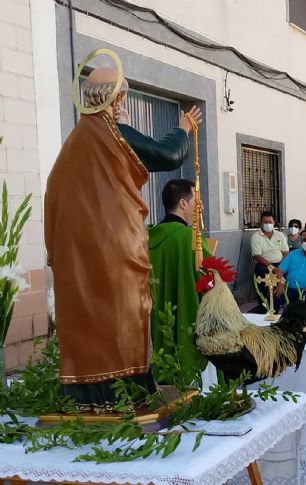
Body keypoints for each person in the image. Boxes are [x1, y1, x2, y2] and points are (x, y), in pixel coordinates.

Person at [44, 67, 198, 411]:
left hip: (76, 253)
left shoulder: (73, 144)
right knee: (123, 313)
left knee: (88, 317)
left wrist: (57, 255)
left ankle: (87, 397)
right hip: (114, 246)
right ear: (118, 99)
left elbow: (52, 199)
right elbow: (167, 154)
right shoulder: (113, 134)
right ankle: (124, 391)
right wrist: (183, 129)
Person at [148, 179, 211, 382]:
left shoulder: (146, 238)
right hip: (186, 322)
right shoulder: (190, 239)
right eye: (196, 201)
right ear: (183, 203)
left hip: (154, 324)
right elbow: (212, 281)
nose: (199, 208)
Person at [251, 211, 289, 308]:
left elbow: (285, 252)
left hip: (280, 264)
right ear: (261, 223)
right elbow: (257, 256)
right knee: (262, 277)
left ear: (274, 222)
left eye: (270, 222)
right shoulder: (256, 237)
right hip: (264, 265)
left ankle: (279, 303)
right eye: (265, 222)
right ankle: (264, 305)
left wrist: (281, 266)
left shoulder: (280, 235)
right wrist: (272, 267)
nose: (268, 224)